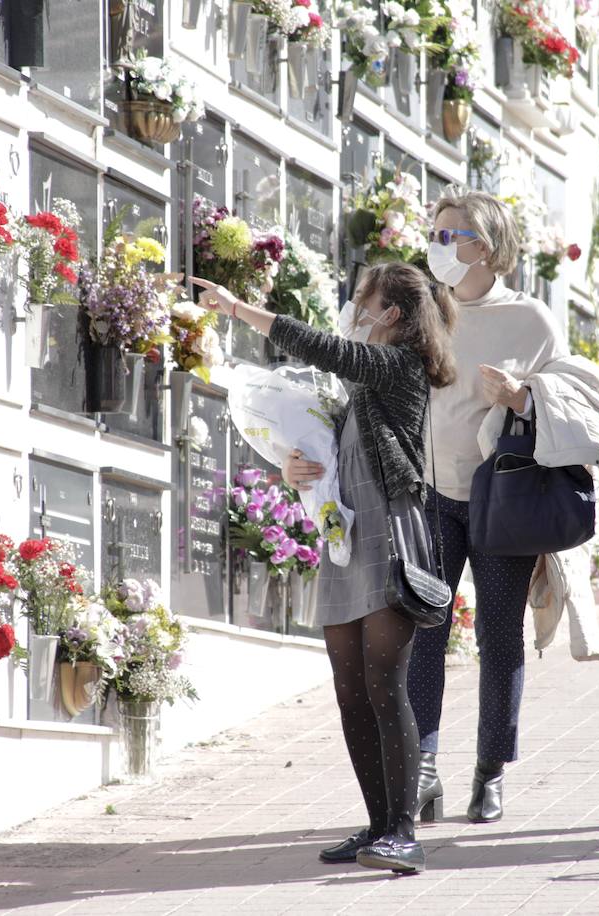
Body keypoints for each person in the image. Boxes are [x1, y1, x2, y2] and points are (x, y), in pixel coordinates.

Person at [190, 263, 456, 874]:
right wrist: (293, 468)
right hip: (347, 538)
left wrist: (236, 309)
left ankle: (405, 833)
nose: (354, 313)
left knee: (385, 683)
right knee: (350, 690)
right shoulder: (362, 387)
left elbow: (320, 347)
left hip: (388, 533)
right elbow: (328, 455)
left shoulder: (398, 367)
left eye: (363, 303)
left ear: (390, 314)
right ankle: (377, 824)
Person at [405, 187, 568, 825]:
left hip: (502, 500)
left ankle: (490, 771)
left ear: (490, 249)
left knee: (500, 639)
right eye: (436, 234)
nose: (439, 246)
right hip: (429, 495)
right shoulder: (420, 309)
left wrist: (523, 396)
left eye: (454, 236)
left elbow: (572, 400)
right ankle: (421, 766)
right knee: (425, 633)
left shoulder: (530, 320)